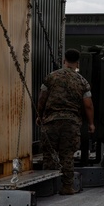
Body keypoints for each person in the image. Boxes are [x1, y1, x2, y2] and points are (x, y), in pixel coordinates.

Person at [36, 49, 95, 195]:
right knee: (67, 155)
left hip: (51, 121)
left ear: (64, 61)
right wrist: (91, 123)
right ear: (77, 63)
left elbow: (42, 98)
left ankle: (48, 187)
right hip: (71, 122)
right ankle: (67, 186)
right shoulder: (82, 81)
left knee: (49, 154)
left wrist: (39, 115)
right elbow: (88, 105)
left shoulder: (51, 77)